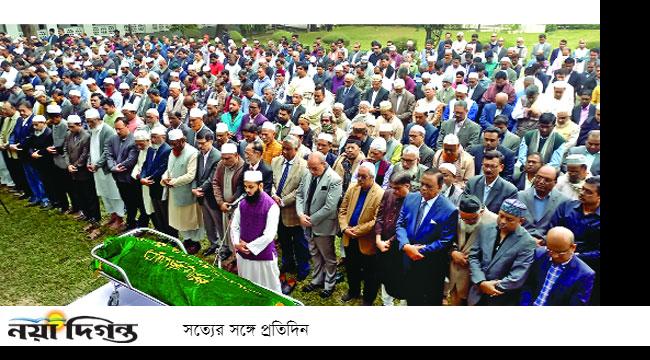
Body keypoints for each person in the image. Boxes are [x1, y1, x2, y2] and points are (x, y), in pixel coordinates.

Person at [396, 168, 458, 305]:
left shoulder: (449, 210)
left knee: (429, 301)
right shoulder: (411, 198)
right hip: (408, 260)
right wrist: (406, 246)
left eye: (429, 186)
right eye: (422, 183)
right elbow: (400, 224)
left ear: (440, 187)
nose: (423, 188)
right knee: (411, 296)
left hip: (431, 266)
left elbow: (445, 240)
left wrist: (419, 250)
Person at [467, 198, 536, 305]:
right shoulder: (486, 228)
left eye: (509, 219)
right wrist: (481, 282)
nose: (503, 221)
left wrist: (490, 286)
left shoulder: (527, 242)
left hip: (501, 298)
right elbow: (473, 257)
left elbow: (517, 276)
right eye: (501, 216)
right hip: (476, 293)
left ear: (521, 221)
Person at [296, 152, 343, 299]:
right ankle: (317, 279)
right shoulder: (308, 173)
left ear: (323, 164)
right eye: (309, 168)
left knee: (328, 256)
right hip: (306, 222)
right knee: (314, 253)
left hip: (323, 225)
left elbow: (330, 207)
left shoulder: (334, 179)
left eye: (314, 168)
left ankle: (329, 283)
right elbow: (299, 195)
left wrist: (310, 220)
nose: (311, 171)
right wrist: (300, 214)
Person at [549, 176, 600, 305]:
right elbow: (552, 230)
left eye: (589, 192)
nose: (582, 193)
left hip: (588, 268)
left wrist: (575, 256)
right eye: (583, 189)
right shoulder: (566, 207)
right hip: (556, 259)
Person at [339, 162, 385, 305]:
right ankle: (353, 291)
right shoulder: (353, 188)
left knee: (370, 272)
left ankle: (368, 299)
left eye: (363, 177)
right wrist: (345, 228)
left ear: (372, 177)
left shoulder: (380, 194)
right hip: (349, 236)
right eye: (358, 176)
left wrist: (357, 231)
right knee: (351, 267)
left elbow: (376, 220)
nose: (359, 179)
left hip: (366, 240)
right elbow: (343, 210)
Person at [230, 170, 282, 293]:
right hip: (243, 255)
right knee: (247, 287)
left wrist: (248, 246)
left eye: (251, 187)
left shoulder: (271, 206)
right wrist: (237, 243)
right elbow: (235, 226)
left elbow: (269, 235)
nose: (247, 190)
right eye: (245, 186)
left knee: (269, 289)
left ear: (261, 186)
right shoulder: (242, 203)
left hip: (263, 256)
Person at [271, 135, 310, 294]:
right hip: (277, 210)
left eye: (288, 149)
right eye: (283, 148)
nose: (285, 152)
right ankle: (288, 262)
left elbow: (301, 190)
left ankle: (303, 267)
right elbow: (272, 182)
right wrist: (274, 195)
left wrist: (283, 201)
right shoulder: (276, 161)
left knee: (300, 242)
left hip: (294, 211)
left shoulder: (304, 166)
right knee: (284, 239)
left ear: (297, 149)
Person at [519, 226, 595, 306]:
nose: (554, 256)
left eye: (560, 253)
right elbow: (529, 286)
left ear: (573, 247)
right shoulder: (539, 255)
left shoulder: (584, 274)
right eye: (550, 250)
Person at [448, 194, 498, 305]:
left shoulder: (495, 221)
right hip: (456, 276)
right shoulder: (456, 215)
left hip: (477, 278)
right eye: (464, 219)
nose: (468, 222)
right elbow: (446, 239)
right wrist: (453, 252)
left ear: (481, 212)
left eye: (473, 219)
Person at [162, 129, 204, 255]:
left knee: (190, 220)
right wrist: (164, 178)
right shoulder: (172, 151)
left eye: (175, 143)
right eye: (171, 143)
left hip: (187, 192)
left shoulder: (192, 153)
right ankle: (186, 240)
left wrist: (173, 182)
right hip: (174, 192)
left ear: (182, 141)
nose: (173, 146)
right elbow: (169, 169)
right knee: (178, 219)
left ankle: (195, 243)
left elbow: (191, 175)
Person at [85, 108, 126, 230]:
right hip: (96, 169)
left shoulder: (107, 130)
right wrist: (89, 162)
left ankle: (120, 218)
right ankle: (112, 216)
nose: (89, 124)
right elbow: (91, 149)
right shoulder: (93, 130)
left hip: (106, 169)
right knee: (104, 193)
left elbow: (107, 151)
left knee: (114, 193)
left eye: (91, 121)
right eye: (87, 121)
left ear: (98, 119)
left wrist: (98, 164)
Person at [375, 171, 411, 305]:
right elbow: (379, 216)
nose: (394, 191)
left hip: (400, 249)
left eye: (397, 188)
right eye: (391, 187)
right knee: (384, 275)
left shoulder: (413, 201)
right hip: (382, 245)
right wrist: (378, 239)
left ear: (407, 186)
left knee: (401, 279)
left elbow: (407, 227)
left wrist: (388, 242)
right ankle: (387, 304)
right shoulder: (388, 193)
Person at [63, 115, 101, 233]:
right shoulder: (69, 135)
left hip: (83, 171)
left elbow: (85, 154)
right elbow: (65, 150)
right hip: (72, 171)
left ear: (79, 125)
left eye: (72, 127)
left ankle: (95, 216)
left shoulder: (86, 136)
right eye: (69, 127)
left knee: (89, 194)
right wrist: (68, 164)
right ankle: (86, 213)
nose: (70, 129)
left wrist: (76, 165)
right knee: (79, 194)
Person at [106, 119, 147, 230]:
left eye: (120, 128)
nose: (118, 131)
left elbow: (131, 160)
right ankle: (130, 223)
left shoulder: (134, 140)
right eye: (116, 129)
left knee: (137, 202)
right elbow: (109, 155)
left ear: (127, 126)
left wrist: (117, 166)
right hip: (118, 177)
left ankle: (139, 225)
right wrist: (113, 167)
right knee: (127, 202)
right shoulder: (113, 139)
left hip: (131, 178)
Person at [517, 165, 570, 242]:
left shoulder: (563, 201)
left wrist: (543, 241)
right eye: (539, 177)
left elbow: (562, 228)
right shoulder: (520, 196)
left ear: (555, 182)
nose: (541, 182)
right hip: (520, 241)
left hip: (548, 245)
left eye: (547, 180)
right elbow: (513, 223)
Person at [212, 142, 246, 261]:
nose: (225, 161)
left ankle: (237, 256)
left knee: (236, 230)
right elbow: (215, 182)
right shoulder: (221, 164)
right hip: (224, 206)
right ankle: (230, 251)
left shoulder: (243, 167)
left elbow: (240, 189)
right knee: (227, 230)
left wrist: (230, 203)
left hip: (236, 206)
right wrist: (221, 202)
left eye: (228, 158)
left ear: (236, 155)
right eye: (223, 158)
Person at [140, 126, 175, 237]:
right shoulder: (151, 149)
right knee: (157, 211)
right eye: (151, 137)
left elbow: (162, 168)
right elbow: (145, 165)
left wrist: (148, 178)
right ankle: (161, 232)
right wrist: (142, 177)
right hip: (151, 185)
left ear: (163, 137)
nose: (152, 140)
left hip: (160, 185)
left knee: (165, 212)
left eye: (155, 137)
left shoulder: (167, 150)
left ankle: (170, 235)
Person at [192, 132, 222, 256]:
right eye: (198, 143)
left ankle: (223, 246)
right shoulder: (199, 155)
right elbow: (194, 174)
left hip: (212, 196)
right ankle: (213, 243)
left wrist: (199, 189)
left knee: (218, 222)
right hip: (201, 195)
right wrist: (194, 188)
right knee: (208, 222)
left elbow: (212, 178)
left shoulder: (217, 156)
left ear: (210, 141)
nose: (200, 146)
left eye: (202, 143)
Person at [464, 150, 518, 214]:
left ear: (501, 167)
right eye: (486, 165)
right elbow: (464, 204)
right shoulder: (472, 182)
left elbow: (507, 215)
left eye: (492, 166)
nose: (488, 170)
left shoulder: (510, 190)